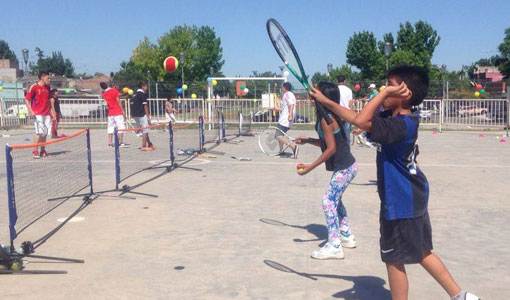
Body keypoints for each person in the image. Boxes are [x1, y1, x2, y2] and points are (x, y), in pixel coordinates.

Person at [310, 65, 480, 300]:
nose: (383, 89)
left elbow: (359, 120)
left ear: (404, 93)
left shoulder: (399, 126)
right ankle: (461, 296)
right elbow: (358, 119)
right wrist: (326, 101)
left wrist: (378, 96)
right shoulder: (400, 119)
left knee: (393, 258)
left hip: (400, 200)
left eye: (389, 85)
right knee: (422, 251)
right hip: (413, 196)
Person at [295, 81, 358, 260]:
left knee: (328, 201)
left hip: (345, 168)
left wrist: (310, 167)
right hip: (347, 166)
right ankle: (346, 235)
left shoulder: (326, 119)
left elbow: (331, 149)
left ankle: (335, 245)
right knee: (335, 200)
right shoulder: (328, 116)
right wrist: (308, 140)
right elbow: (327, 142)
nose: (311, 94)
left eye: (315, 91)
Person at [25, 71, 55, 158]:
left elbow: (49, 100)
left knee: (44, 133)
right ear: (42, 77)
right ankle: (35, 151)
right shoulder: (34, 87)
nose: (49, 79)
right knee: (38, 132)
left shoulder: (47, 87)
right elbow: (27, 100)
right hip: (37, 113)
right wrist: (31, 111)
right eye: (48, 78)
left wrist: (52, 111)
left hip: (46, 113)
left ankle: (42, 150)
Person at [100, 82, 128, 147]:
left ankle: (110, 142)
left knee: (110, 127)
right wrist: (123, 110)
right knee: (121, 126)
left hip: (110, 112)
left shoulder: (104, 94)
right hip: (117, 111)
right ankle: (120, 142)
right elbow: (118, 101)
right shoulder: (114, 91)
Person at [276, 82, 298, 158]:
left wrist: (290, 115)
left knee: (278, 136)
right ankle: (281, 151)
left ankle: (294, 147)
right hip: (285, 119)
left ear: (285, 88)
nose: (282, 89)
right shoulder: (290, 94)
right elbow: (285, 108)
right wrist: (276, 108)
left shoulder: (287, 94)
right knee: (280, 135)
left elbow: (291, 104)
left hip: (285, 120)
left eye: (282, 87)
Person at [130, 81, 153, 151]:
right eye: (146, 86)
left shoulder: (134, 94)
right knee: (145, 130)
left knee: (144, 129)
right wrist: (148, 117)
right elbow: (145, 106)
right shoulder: (142, 94)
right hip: (141, 114)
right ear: (143, 86)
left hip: (135, 114)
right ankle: (143, 145)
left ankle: (149, 143)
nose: (147, 88)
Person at [337, 75, 353, 144]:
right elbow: (350, 103)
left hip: (337, 112)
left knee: (337, 132)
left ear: (337, 81)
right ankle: (347, 150)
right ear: (344, 81)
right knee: (346, 133)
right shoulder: (349, 90)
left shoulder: (335, 89)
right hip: (346, 113)